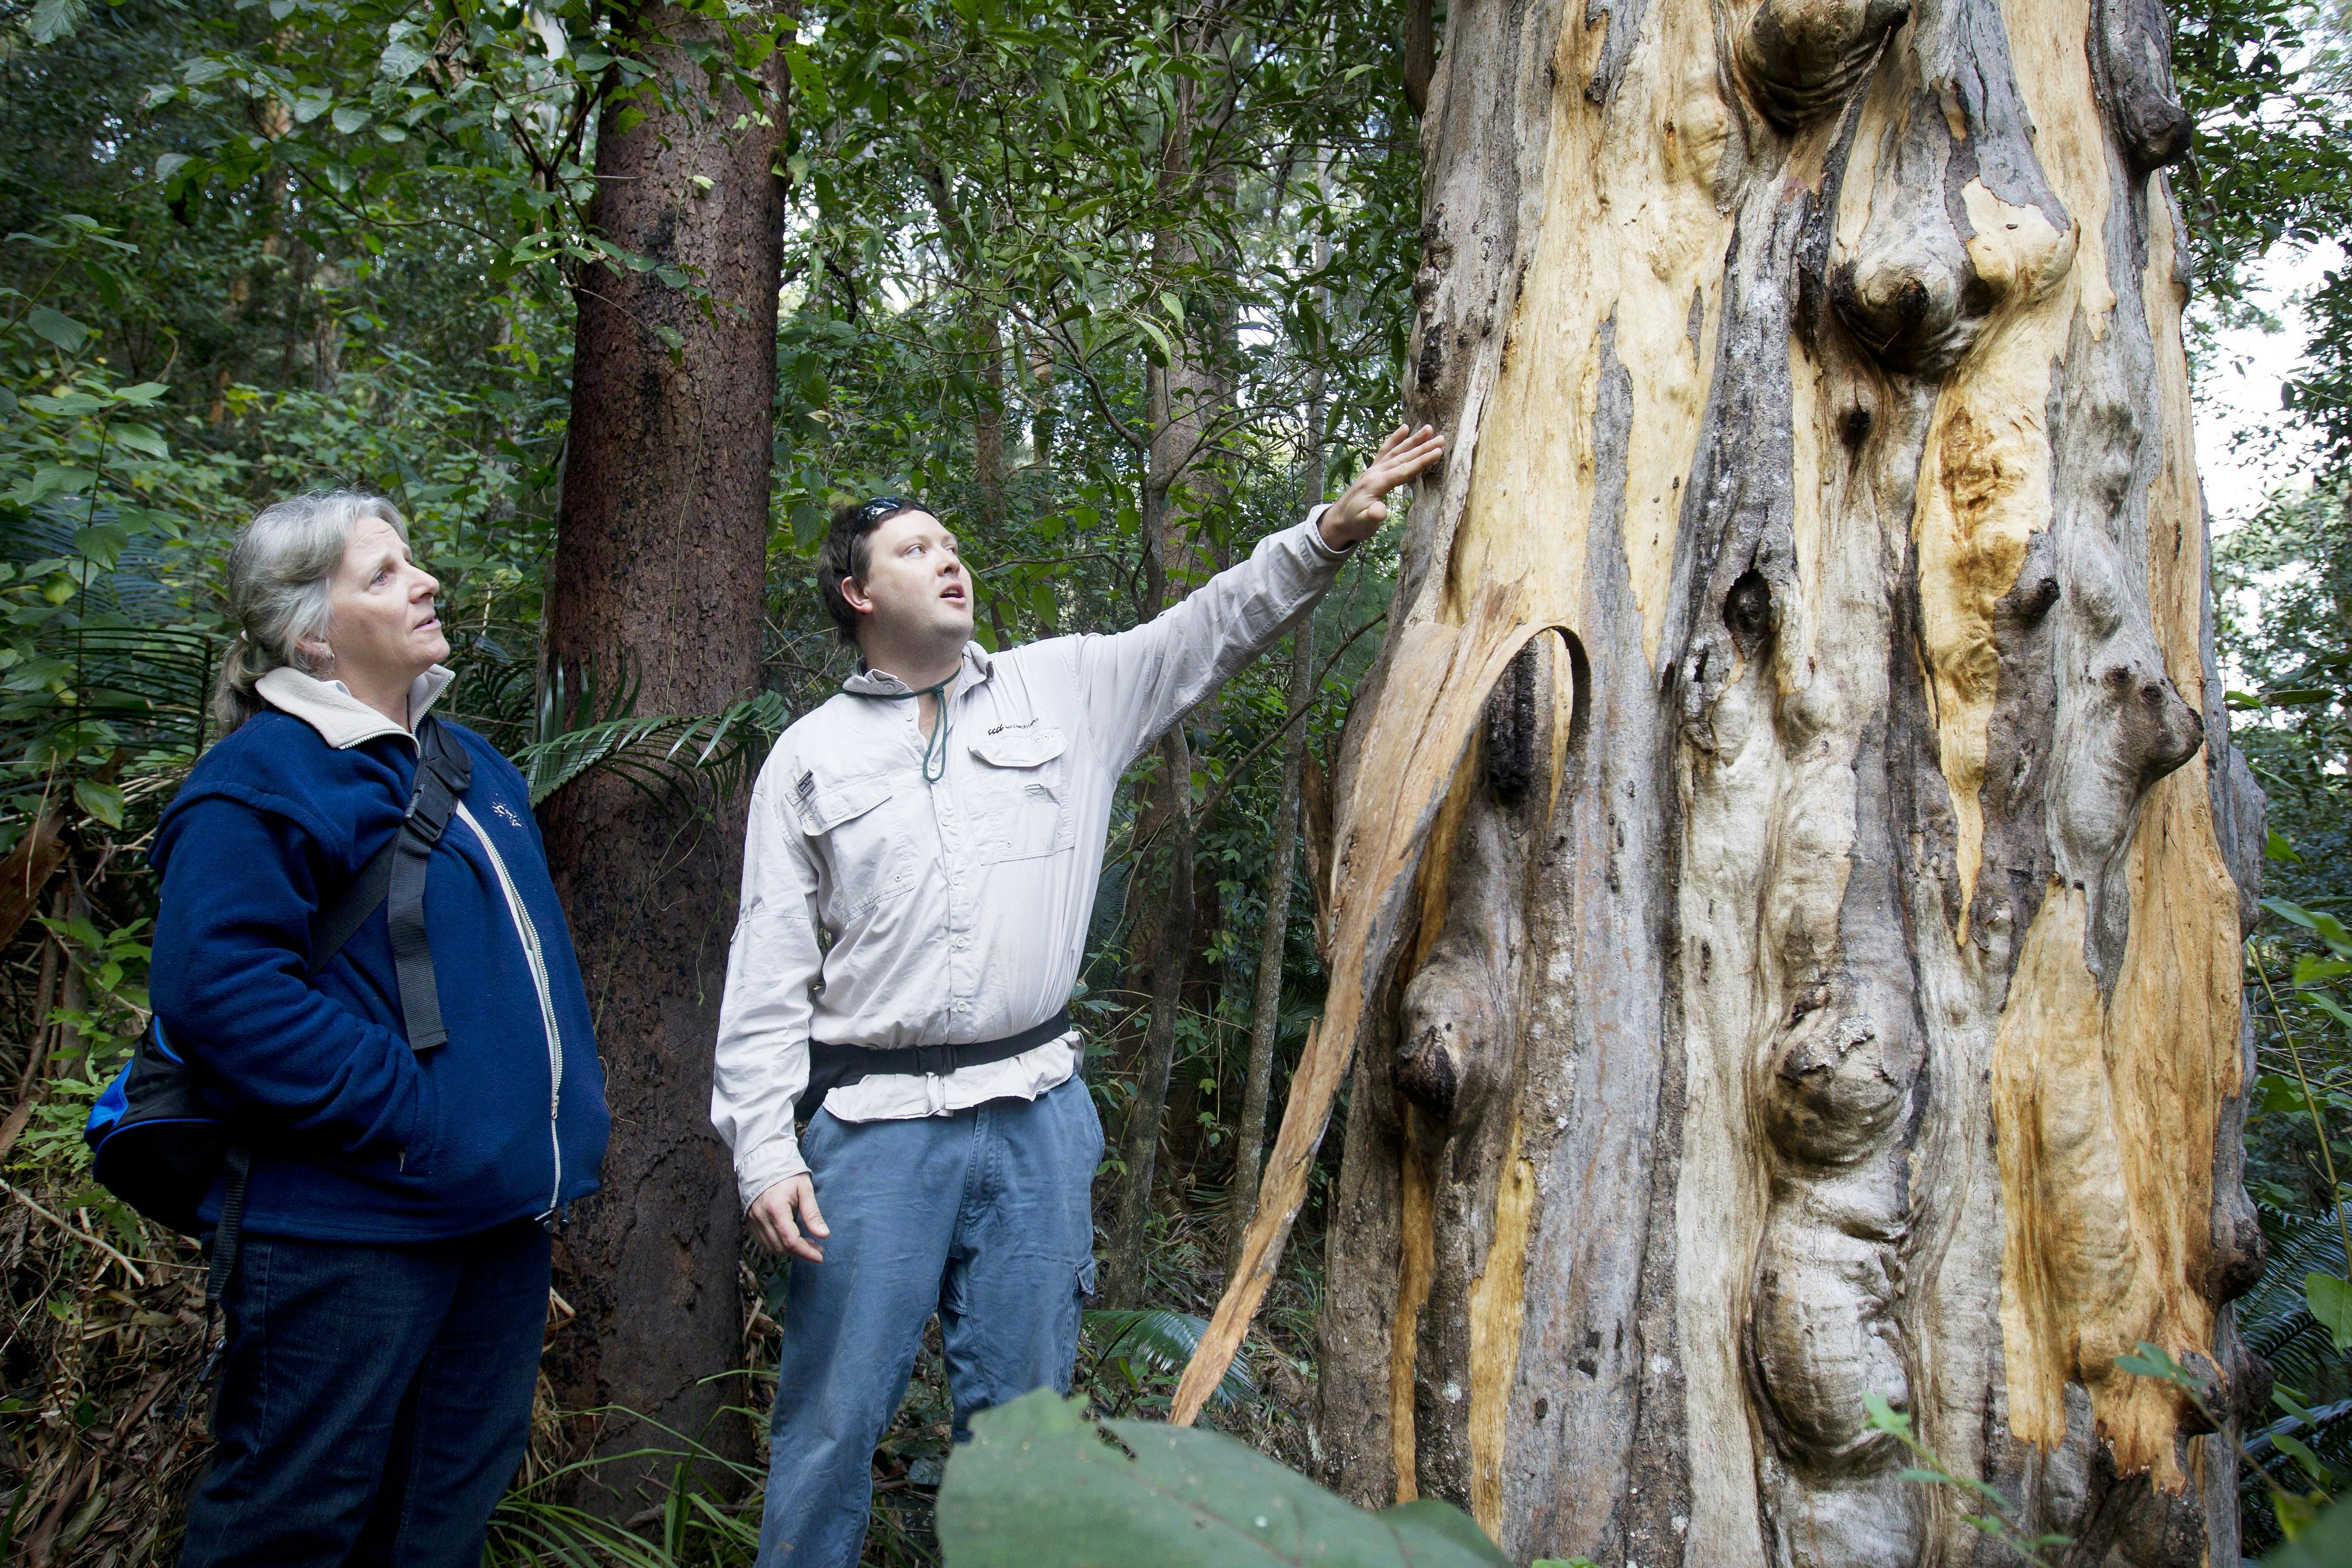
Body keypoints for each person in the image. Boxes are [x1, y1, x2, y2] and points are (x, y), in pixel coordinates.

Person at [711, 424, 1447, 1566]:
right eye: (914, 550)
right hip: (874, 1129)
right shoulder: (809, 756)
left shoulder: (1065, 689)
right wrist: (764, 1149)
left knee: (1026, 1436)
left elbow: (1210, 627)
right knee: (829, 1428)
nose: (948, 559)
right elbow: (767, 968)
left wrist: (1327, 534)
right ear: (858, 595)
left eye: (951, 545)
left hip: (1035, 1122)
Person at [148, 491, 611, 1566]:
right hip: (348, 1230)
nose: (424, 582)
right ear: (314, 634)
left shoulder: (477, 768)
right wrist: (415, 1115)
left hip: (497, 1221)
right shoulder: (263, 778)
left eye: (412, 562)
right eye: (384, 574)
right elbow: (221, 994)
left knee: (437, 1525)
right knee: (289, 1526)